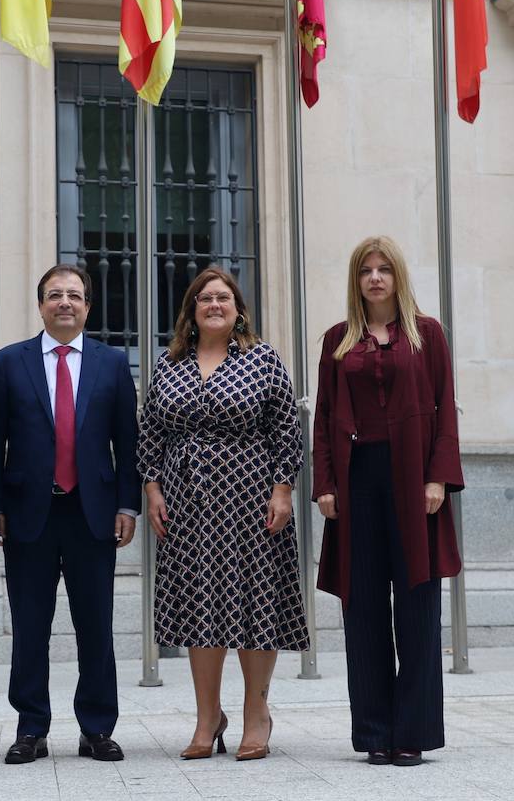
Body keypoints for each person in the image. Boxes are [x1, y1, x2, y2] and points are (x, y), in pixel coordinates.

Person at [139, 268, 309, 763]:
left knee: (256, 603)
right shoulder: (168, 365)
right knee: (199, 606)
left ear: (238, 309)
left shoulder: (263, 359)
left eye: (224, 298)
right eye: (205, 298)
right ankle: (207, 717)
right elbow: (149, 431)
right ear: (191, 311)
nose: (215, 304)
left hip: (252, 501)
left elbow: (286, 430)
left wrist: (283, 490)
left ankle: (257, 714)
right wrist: (152, 488)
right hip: (186, 505)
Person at [312, 235, 464, 768]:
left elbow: (446, 409)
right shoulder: (337, 340)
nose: (375, 278)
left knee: (418, 606)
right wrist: (325, 485)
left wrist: (438, 479)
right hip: (358, 484)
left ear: (398, 277)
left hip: (414, 480)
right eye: (365, 271)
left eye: (384, 270)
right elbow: (325, 418)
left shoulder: (428, 335)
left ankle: (413, 733)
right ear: (356, 281)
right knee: (365, 607)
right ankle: (376, 732)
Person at [0, 264, 140, 764]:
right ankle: (31, 727)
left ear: (88, 307)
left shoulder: (112, 363)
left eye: (74, 295)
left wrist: (126, 504)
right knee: (30, 625)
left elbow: (128, 442)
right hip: (29, 513)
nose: (65, 303)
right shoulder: (10, 363)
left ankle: (97, 727)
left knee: (95, 624)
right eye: (54, 295)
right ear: (40, 305)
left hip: (91, 513)